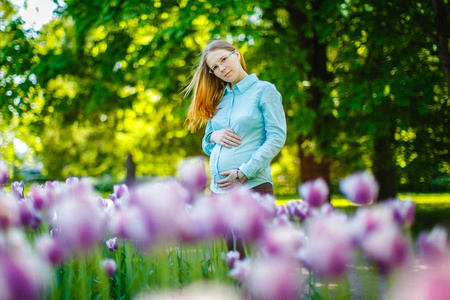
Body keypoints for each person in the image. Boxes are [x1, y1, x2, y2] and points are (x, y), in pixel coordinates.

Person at [185, 40, 286, 196]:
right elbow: (207, 145)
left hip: (252, 188)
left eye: (223, 59)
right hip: (216, 191)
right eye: (215, 67)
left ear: (237, 54)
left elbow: (276, 137)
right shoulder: (218, 100)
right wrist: (213, 136)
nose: (222, 68)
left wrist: (244, 172)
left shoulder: (264, 91)